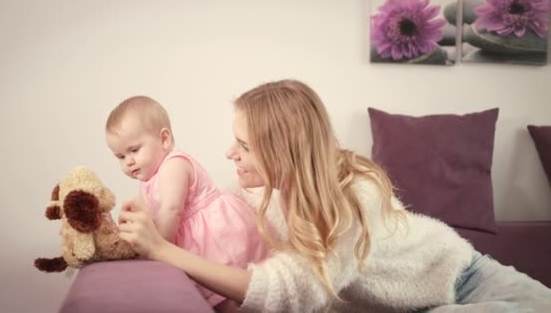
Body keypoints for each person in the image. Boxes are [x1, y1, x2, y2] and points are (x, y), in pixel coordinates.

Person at [117, 80, 551, 312]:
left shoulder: (351, 199)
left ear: (283, 152)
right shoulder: (264, 192)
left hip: (473, 283)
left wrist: (161, 250)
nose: (230, 153)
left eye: (244, 146)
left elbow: (288, 289)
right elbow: (209, 216)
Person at [105, 96, 267, 312]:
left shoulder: (174, 164)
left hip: (214, 236)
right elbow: (149, 218)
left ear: (164, 139)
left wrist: (156, 246)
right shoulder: (147, 182)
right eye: (120, 156)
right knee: (213, 299)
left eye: (134, 150)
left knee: (228, 295)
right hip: (194, 244)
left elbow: (172, 209)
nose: (129, 161)